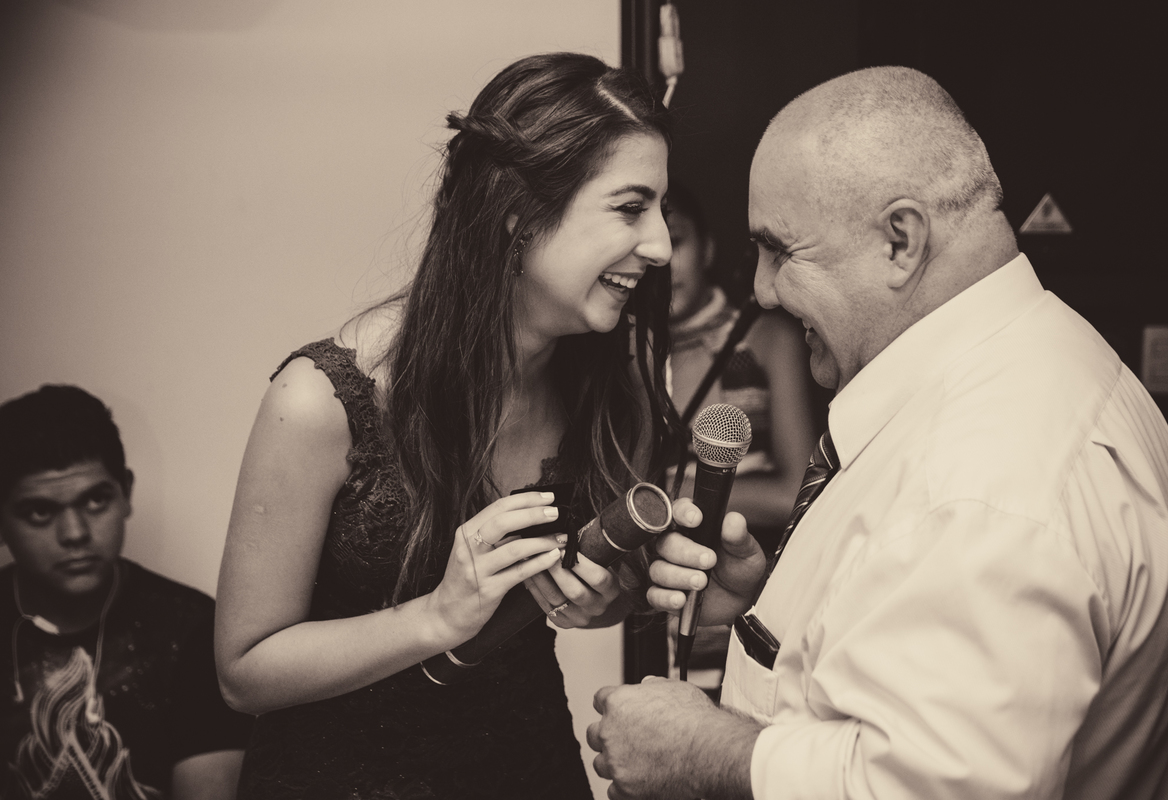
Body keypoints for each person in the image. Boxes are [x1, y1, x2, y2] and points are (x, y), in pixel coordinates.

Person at [587, 66, 1168, 800]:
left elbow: (941, 788)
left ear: (900, 241)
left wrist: (697, 751)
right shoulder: (1037, 362)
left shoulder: (983, 484)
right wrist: (773, 602)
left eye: (781, 251)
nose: (762, 290)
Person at [214, 52, 679, 799]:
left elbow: (598, 597)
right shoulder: (322, 401)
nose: (660, 245)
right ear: (518, 212)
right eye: (630, 208)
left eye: (660, 210)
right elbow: (244, 672)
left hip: (528, 769)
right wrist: (435, 618)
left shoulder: (609, 387)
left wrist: (605, 599)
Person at [0, 384, 253, 800]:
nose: (75, 533)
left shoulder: (193, 629)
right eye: (40, 511)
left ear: (126, 493)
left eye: (95, 500)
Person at [664, 184, 818, 691]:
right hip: (661, 602)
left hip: (754, 594)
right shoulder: (633, 358)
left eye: (677, 242)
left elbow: (796, 491)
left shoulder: (766, 338)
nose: (664, 263)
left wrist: (676, 492)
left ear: (707, 249)